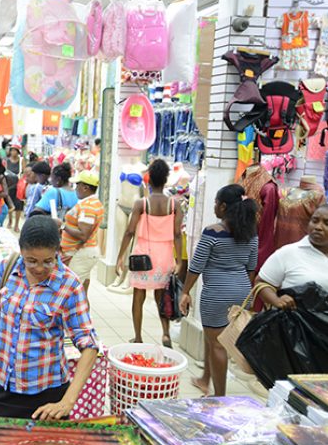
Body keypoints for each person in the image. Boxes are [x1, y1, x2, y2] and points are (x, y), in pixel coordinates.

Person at [0, 215, 99, 419]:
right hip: (1, 388)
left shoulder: (69, 286)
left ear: (57, 252)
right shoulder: (7, 268)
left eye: (48, 261)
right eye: (31, 261)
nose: (39, 268)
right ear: (21, 252)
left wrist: (67, 402)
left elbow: (89, 345)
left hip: (46, 396)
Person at [179, 185, 259, 397]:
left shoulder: (212, 232)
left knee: (217, 343)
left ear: (223, 206)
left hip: (216, 293)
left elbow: (196, 266)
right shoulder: (251, 233)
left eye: (215, 202)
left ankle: (219, 397)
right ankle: (205, 379)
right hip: (242, 290)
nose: (214, 206)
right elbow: (251, 267)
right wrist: (245, 296)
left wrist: (185, 291)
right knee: (211, 336)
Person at [116, 159, 183, 347]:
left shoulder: (142, 204)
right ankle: (166, 333)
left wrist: (120, 256)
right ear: (166, 180)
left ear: (149, 179)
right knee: (162, 296)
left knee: (139, 295)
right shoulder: (174, 204)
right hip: (165, 255)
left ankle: (138, 336)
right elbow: (177, 234)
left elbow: (129, 232)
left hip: (143, 255)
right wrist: (178, 260)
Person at [256, 203, 328, 309]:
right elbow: (261, 283)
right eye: (315, 221)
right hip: (294, 324)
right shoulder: (288, 253)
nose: (318, 227)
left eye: (326, 223)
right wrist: (276, 300)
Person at [60, 170, 104, 295]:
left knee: (71, 291)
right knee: (82, 292)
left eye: (77, 185)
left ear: (85, 187)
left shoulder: (88, 206)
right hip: (84, 252)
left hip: (82, 253)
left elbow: (84, 234)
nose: (75, 189)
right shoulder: (92, 203)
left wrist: (63, 225)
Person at [6, 145, 23, 231]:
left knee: (19, 205)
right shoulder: (7, 161)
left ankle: (16, 224)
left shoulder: (21, 161)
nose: (13, 152)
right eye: (12, 150)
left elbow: (24, 172)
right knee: (10, 204)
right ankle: (10, 221)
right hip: (9, 186)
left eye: (15, 150)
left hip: (19, 186)